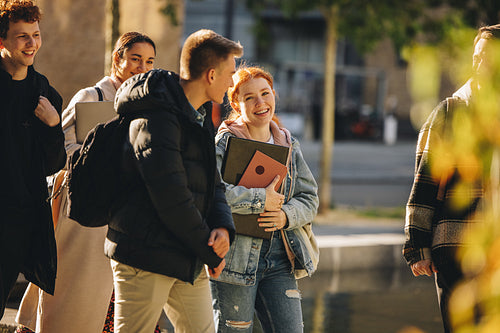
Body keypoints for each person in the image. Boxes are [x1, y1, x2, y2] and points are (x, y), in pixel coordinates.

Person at [14, 32, 157, 333]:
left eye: (149, 62)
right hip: (83, 216)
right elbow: (60, 151)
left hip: (125, 220)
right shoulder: (92, 97)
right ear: (118, 58)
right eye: (135, 59)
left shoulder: (148, 110)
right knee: (73, 300)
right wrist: (101, 161)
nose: (141, 67)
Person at [105, 29, 242, 333]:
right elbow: (172, 198)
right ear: (210, 74)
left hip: (186, 252)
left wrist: (222, 227)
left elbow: (212, 180)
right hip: (146, 254)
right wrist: (209, 251)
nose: (232, 82)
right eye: (230, 74)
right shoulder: (155, 118)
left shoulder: (201, 113)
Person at [403, 24, 500, 333]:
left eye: (488, 57)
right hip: (455, 247)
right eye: (476, 56)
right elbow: (425, 180)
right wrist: (417, 245)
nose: (479, 63)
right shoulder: (450, 112)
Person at [210, 66, 319, 333]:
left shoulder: (288, 144)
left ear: (274, 95)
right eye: (249, 97)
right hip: (235, 261)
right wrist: (260, 200)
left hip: (281, 261)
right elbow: (210, 193)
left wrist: (285, 216)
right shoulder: (224, 143)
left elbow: (309, 198)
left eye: (265, 93)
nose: (260, 103)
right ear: (235, 103)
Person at [0, 0, 66, 320]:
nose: (31, 43)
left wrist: (54, 126)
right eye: (21, 36)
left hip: (17, 221)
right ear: (2, 41)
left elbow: (54, 164)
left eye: (35, 34)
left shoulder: (46, 96)